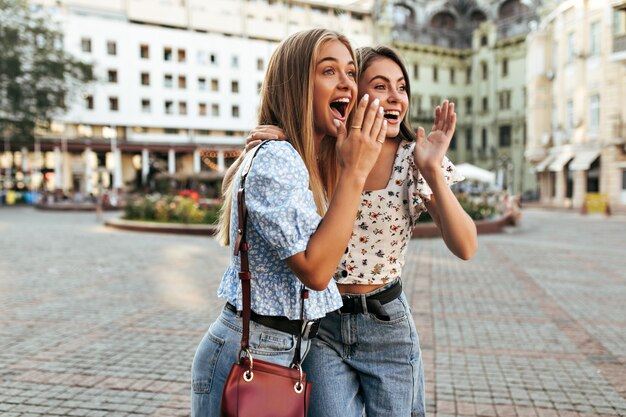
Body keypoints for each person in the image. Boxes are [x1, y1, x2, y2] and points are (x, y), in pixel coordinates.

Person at [244, 46, 478, 417]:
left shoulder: (412, 158)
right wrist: (277, 141)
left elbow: (466, 245)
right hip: (323, 325)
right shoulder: (318, 150)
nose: (395, 97)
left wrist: (432, 170)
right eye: (380, 85)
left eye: (401, 87)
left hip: (387, 324)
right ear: (353, 96)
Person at [190, 29, 387, 416]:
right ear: (297, 84)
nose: (347, 81)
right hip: (253, 355)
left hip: (283, 351)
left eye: (351, 71)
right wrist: (354, 174)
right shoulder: (279, 159)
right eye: (329, 71)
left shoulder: (309, 161)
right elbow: (315, 271)